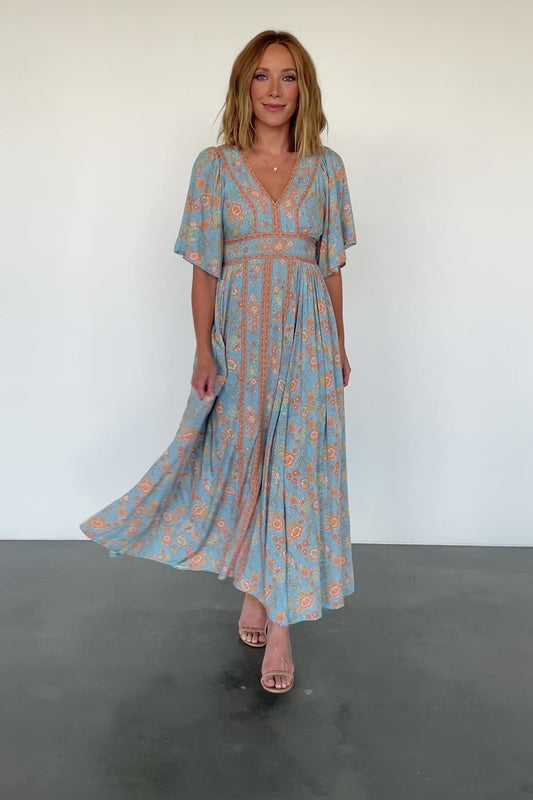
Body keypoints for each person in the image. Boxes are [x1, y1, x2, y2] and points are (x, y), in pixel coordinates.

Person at [80, 29, 357, 694]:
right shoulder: (214, 166)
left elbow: (330, 268)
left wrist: (340, 345)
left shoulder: (327, 167)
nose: (274, 91)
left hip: (307, 342)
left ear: (304, 89)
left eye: (288, 77)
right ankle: (255, 590)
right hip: (241, 341)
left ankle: (280, 624)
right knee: (245, 466)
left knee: (294, 472)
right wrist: (203, 348)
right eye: (261, 76)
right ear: (243, 87)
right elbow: (205, 268)